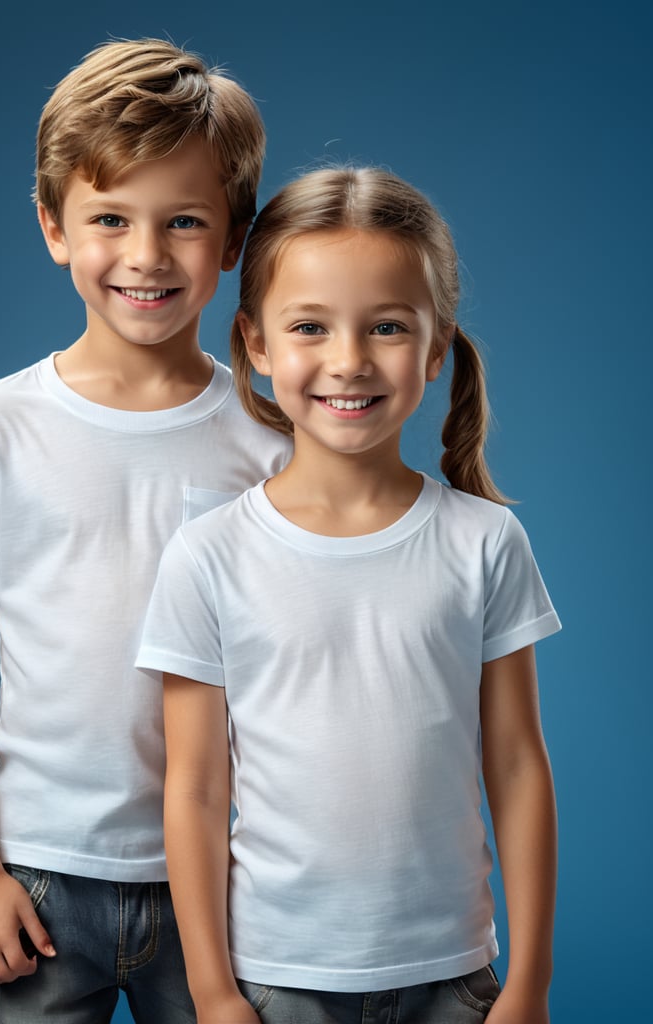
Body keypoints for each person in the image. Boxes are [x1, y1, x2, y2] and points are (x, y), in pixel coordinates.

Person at [0, 38, 290, 1023]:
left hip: (220, 872)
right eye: (109, 218)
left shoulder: (270, 439)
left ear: (234, 239)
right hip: (38, 879)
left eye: (186, 221)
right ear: (53, 227)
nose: (146, 254)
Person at [136, 166, 561, 1024]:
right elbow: (194, 789)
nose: (348, 361)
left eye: (387, 327)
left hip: (453, 979)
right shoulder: (208, 555)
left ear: (436, 346)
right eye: (309, 327)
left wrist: (528, 986)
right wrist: (212, 992)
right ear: (255, 343)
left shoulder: (483, 542)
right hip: (276, 979)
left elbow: (515, 766)